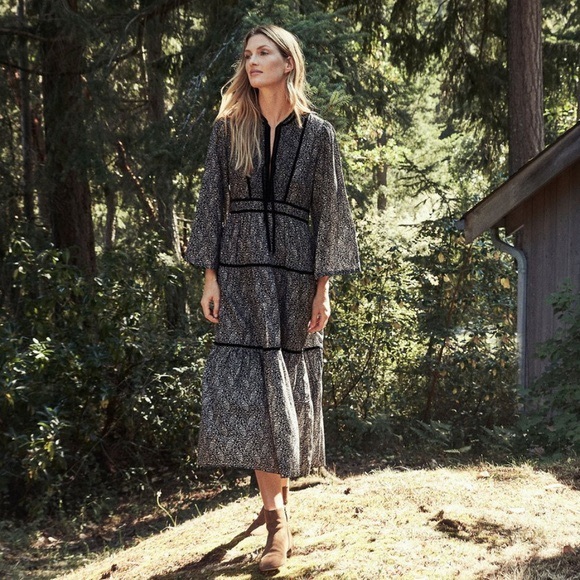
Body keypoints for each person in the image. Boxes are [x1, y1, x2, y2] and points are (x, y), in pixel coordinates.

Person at [185, 23, 360, 572]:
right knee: (251, 387)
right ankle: (276, 520)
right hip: (241, 274)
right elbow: (211, 202)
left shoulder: (318, 135)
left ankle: (278, 503)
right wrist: (210, 275)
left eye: (264, 53)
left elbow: (331, 212)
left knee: (283, 384)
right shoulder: (228, 129)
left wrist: (323, 289)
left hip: (293, 276)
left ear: (288, 62)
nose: (252, 61)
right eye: (248, 54)